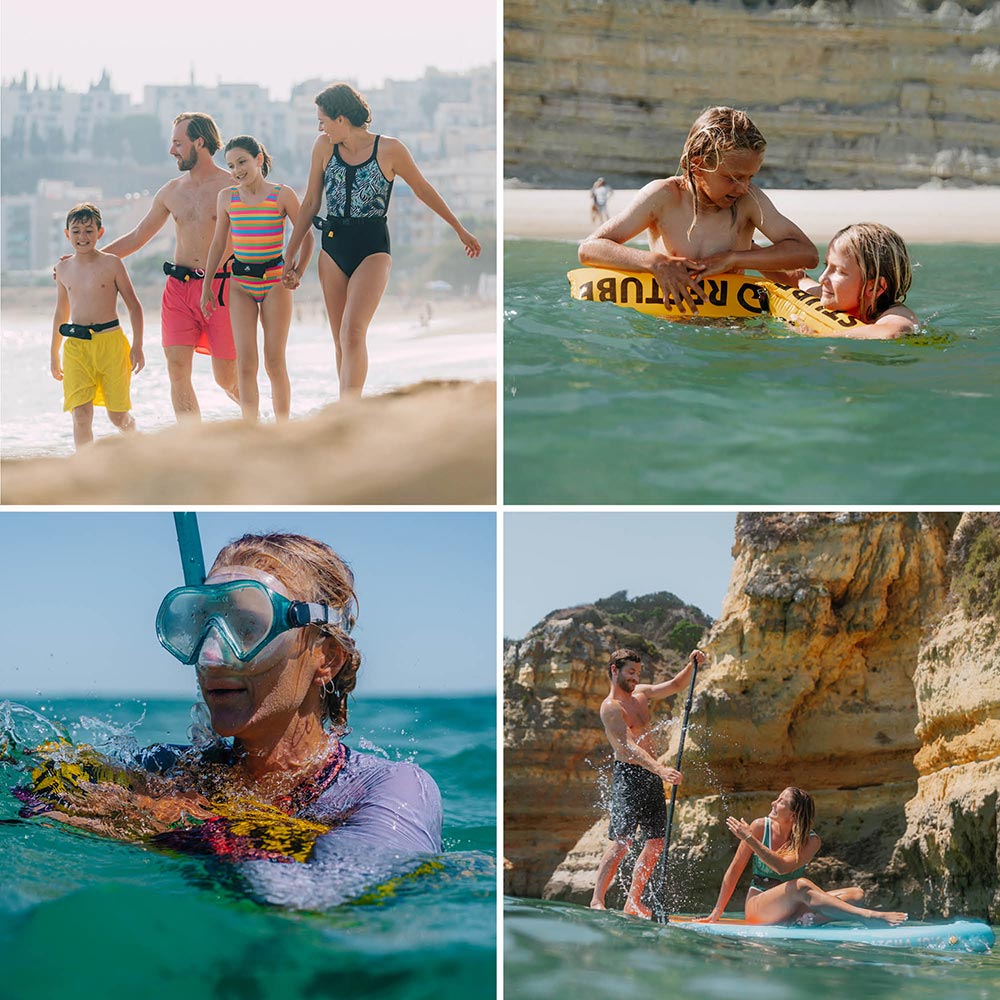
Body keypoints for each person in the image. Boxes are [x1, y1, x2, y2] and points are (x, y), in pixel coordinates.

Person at [14, 532, 443, 908]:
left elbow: (337, 888)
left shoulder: (394, 787)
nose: (211, 655)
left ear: (326, 657)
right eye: (200, 622)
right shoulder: (167, 770)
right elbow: (32, 793)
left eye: (248, 625)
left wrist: (177, 825)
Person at [282, 83, 482, 400]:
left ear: (341, 118)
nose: (319, 127)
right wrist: (289, 254)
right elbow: (309, 204)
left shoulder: (390, 149)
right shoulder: (323, 147)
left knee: (352, 331)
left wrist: (459, 229)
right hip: (332, 245)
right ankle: (347, 405)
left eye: (323, 120)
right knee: (340, 339)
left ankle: (351, 408)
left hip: (372, 245)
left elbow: (422, 188)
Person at [578, 106, 818, 314]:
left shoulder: (748, 201)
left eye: (750, 177)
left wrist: (733, 258)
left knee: (796, 280)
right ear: (697, 165)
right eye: (732, 178)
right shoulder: (664, 197)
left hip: (733, 324)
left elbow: (807, 253)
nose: (743, 187)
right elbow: (590, 249)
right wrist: (655, 263)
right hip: (672, 324)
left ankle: (800, 281)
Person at [101, 112, 240, 420]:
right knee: (177, 371)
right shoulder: (171, 192)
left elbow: (260, 228)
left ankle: (258, 423)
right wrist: (92, 259)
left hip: (222, 290)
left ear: (199, 142)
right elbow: (138, 236)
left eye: (178, 143)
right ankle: (190, 444)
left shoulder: (232, 186)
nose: (171, 150)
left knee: (226, 378)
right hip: (178, 290)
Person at [201, 136, 313, 422]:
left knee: (274, 361)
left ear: (258, 160)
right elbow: (217, 244)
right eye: (231, 166)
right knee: (246, 363)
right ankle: (251, 429)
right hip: (240, 285)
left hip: (275, 282)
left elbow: (307, 236)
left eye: (242, 162)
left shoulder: (282, 195)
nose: (237, 170)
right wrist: (207, 287)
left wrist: (297, 272)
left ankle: (283, 427)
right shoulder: (226, 198)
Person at [590, 646, 707, 918]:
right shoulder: (611, 708)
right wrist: (660, 768)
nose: (634, 677)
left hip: (652, 775)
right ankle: (597, 900)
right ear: (614, 670)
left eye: (638, 673)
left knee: (656, 841)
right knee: (623, 841)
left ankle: (634, 900)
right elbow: (627, 746)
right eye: (630, 672)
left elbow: (676, 685)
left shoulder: (641, 694)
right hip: (629, 776)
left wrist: (692, 664)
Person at [702, 786, 908, 926]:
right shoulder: (758, 827)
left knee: (856, 894)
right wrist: (717, 912)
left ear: (793, 814)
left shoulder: (811, 840)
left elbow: (784, 867)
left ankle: (805, 920)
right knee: (800, 885)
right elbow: (735, 869)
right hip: (760, 906)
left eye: (781, 801)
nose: (774, 802)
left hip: (794, 907)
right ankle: (868, 916)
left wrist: (748, 838)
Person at [50, 203, 144, 450]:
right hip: (76, 348)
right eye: (77, 231)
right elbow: (61, 312)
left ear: (100, 232)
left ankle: (141, 447)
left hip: (111, 344)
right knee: (80, 414)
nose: (83, 237)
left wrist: (138, 346)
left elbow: (134, 306)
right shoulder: (62, 269)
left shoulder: (112, 263)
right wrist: (53, 354)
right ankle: (86, 467)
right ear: (67, 233)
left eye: (89, 231)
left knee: (118, 417)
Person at [781, 223, 917, 339]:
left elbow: (893, 332)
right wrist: (759, 257)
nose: (822, 278)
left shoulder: (897, 314)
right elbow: (799, 280)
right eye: (826, 265)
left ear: (874, 288)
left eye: (839, 271)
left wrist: (818, 335)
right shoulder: (831, 294)